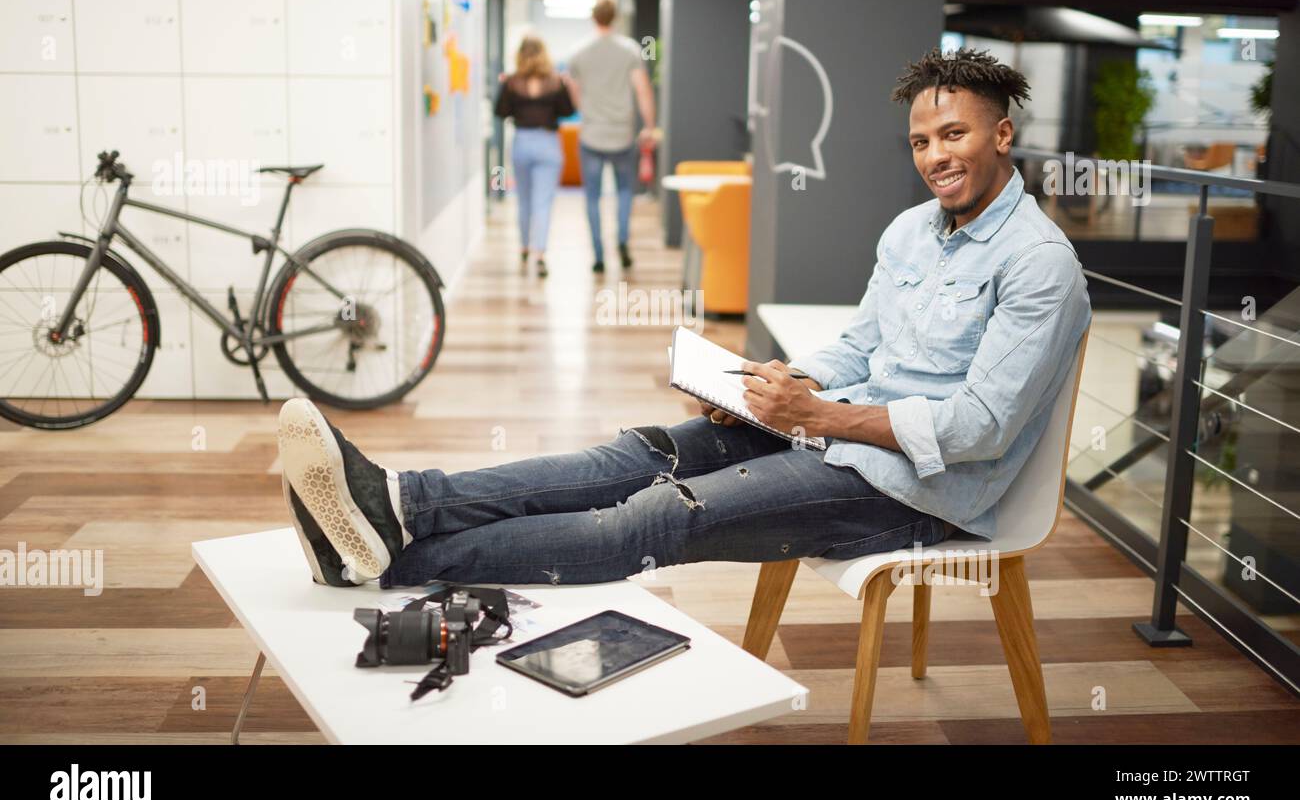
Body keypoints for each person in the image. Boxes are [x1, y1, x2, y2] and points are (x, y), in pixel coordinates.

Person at [275, 46, 1091, 589]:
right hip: (836, 430)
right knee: (634, 455)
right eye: (920, 141)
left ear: (1002, 133)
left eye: (954, 134)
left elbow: (980, 427)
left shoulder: (1039, 264)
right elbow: (860, 344)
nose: (935, 156)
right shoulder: (911, 230)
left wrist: (822, 416)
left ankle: (389, 563)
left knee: (660, 513)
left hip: (914, 491)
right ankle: (401, 501)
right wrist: (777, 385)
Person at [565, 0, 657, 274]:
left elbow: (574, 92)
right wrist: (649, 126)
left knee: (592, 196)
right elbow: (643, 91)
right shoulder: (629, 50)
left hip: (592, 134)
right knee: (625, 191)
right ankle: (622, 242)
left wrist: (589, 111)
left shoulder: (579, 52)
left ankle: (598, 255)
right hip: (622, 135)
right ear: (614, 18)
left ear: (594, 18)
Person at [494, 35, 574, 278]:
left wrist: (504, 86)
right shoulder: (556, 82)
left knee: (524, 201)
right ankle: (540, 255)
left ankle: (524, 248)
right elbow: (568, 111)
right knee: (543, 202)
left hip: (522, 143)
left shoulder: (512, 83)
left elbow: (500, 112)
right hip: (548, 143)